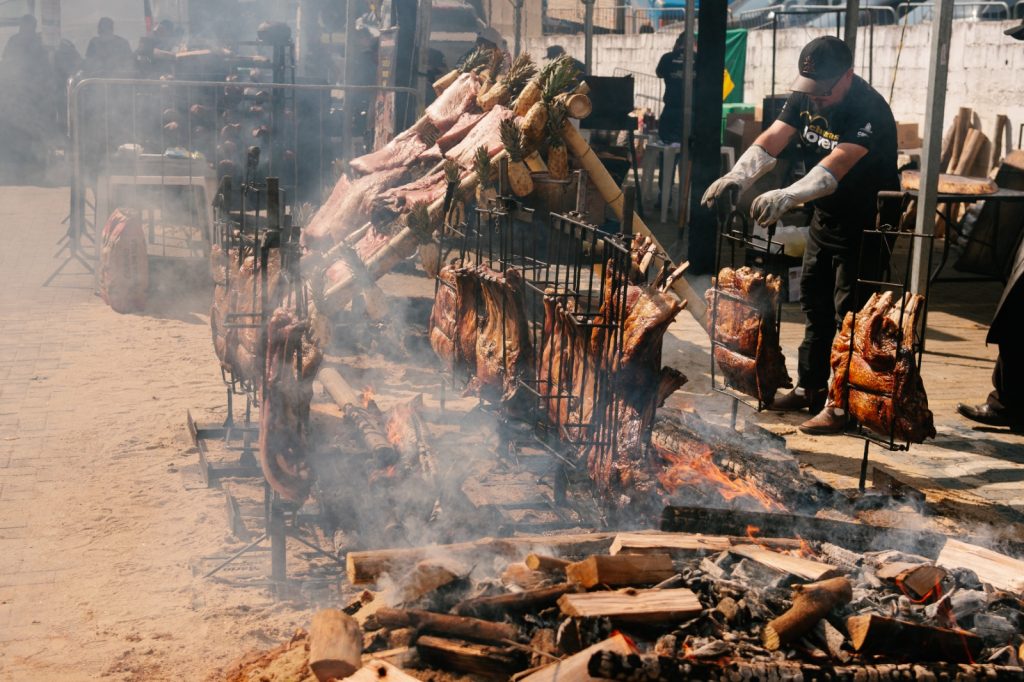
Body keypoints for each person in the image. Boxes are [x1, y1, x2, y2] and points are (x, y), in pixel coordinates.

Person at [701, 36, 899, 434]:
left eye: (823, 92)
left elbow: (835, 167)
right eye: (810, 90)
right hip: (826, 216)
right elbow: (773, 137)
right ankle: (810, 388)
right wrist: (738, 175)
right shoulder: (807, 94)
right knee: (814, 300)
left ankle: (844, 406)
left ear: (847, 76)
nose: (816, 101)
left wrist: (789, 195)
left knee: (853, 315)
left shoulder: (869, 110)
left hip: (868, 221)